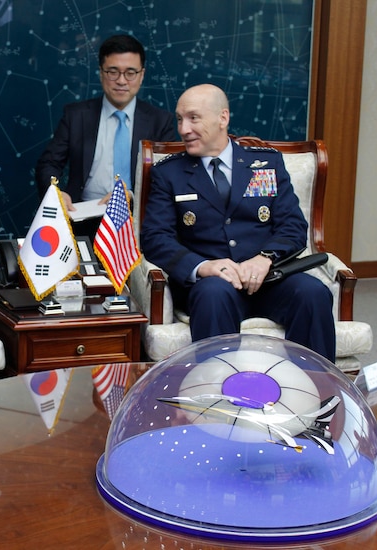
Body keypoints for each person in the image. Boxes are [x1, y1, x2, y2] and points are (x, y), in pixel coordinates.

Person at [140, 84, 336, 362]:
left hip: (269, 278)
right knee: (212, 296)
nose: (183, 129)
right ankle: (218, 394)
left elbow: (292, 225)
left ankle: (318, 391)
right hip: (212, 285)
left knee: (313, 293)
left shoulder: (265, 165)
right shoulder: (169, 174)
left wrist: (265, 258)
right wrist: (204, 267)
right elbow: (155, 238)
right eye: (180, 119)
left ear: (222, 118)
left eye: (194, 118)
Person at [35, 34, 177, 213]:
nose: (121, 81)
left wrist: (132, 196)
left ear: (142, 75)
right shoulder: (76, 115)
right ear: (101, 73)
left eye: (130, 73)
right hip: (83, 214)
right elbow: (48, 164)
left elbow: (168, 177)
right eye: (113, 71)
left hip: (138, 218)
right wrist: (54, 193)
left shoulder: (159, 121)